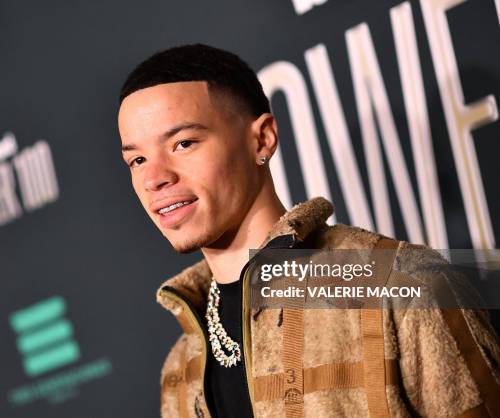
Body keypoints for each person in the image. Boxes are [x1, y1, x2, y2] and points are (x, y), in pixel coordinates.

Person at [117, 43, 500, 418]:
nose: (154, 178)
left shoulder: (397, 287)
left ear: (262, 139)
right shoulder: (180, 371)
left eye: (183, 143)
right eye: (136, 160)